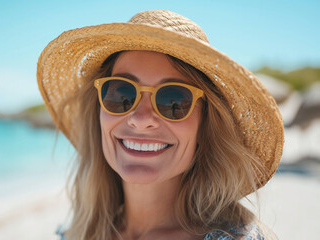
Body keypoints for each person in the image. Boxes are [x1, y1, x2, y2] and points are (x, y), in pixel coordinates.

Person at [37, 10, 283, 240]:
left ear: (204, 126)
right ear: (99, 112)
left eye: (173, 99)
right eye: (122, 94)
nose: (141, 119)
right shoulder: (73, 234)